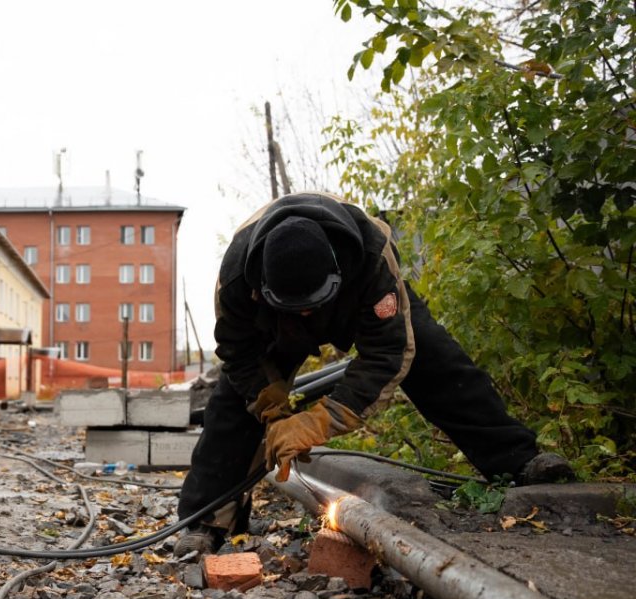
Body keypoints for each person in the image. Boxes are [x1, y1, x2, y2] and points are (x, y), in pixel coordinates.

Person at [174, 192, 574, 559]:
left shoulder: (371, 254)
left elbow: (388, 353)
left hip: (353, 300)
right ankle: (206, 521)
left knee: (436, 360)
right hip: (273, 325)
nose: (307, 316)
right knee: (230, 407)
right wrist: (273, 412)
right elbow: (238, 354)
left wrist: (318, 422)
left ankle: (519, 461)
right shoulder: (235, 280)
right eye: (299, 308)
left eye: (311, 306)